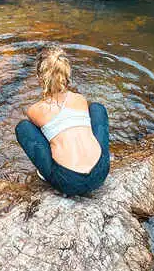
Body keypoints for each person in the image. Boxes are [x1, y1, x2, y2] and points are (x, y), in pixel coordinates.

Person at [15, 46, 110, 196]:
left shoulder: (35, 109)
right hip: (101, 172)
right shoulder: (80, 99)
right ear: (67, 74)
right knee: (97, 108)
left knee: (23, 128)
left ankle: (46, 173)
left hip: (69, 182)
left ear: (40, 78)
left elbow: (40, 136)